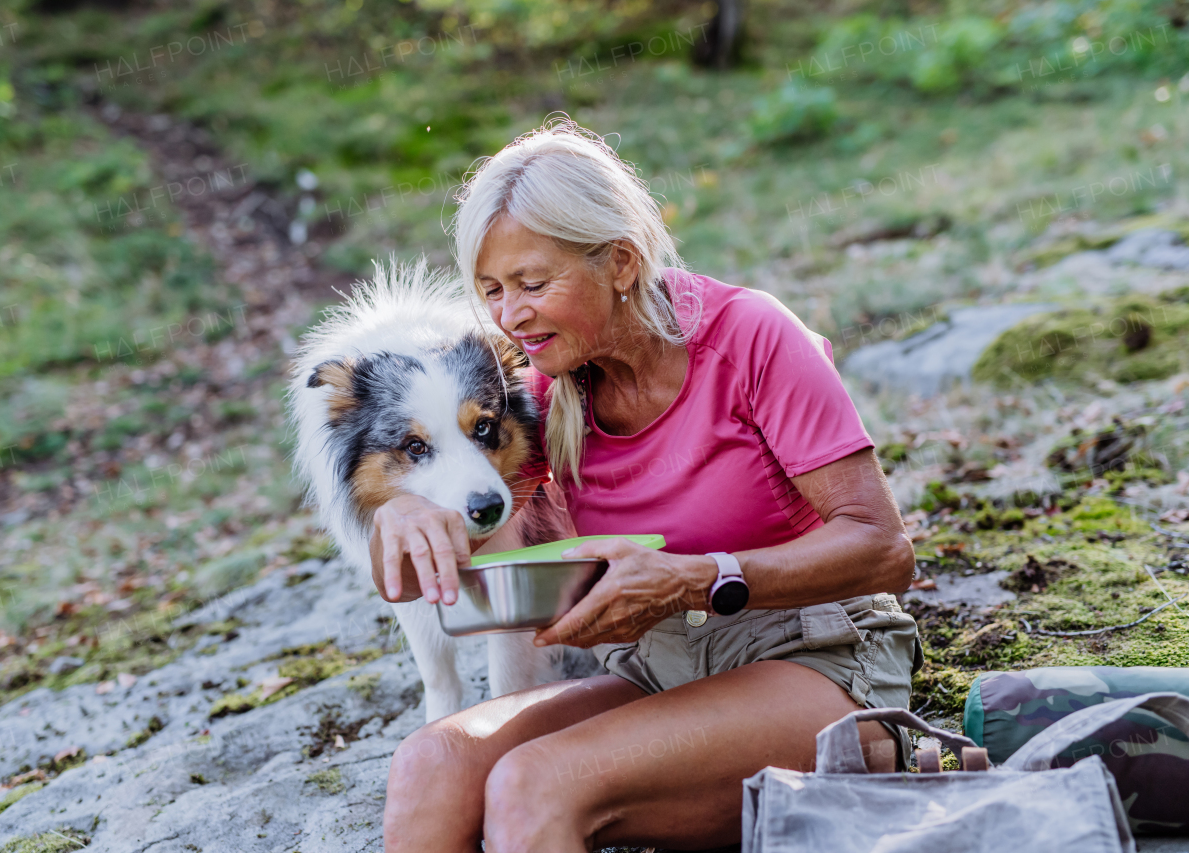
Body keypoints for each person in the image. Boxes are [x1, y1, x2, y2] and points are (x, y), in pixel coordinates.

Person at [370, 118, 922, 852]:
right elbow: (444, 571)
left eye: (533, 284)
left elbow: (884, 549)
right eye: (493, 290)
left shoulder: (752, 337)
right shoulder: (544, 391)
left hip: (818, 657)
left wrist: (695, 580)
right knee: (431, 761)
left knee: (533, 782)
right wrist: (405, 514)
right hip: (662, 668)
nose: (509, 316)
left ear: (623, 263)